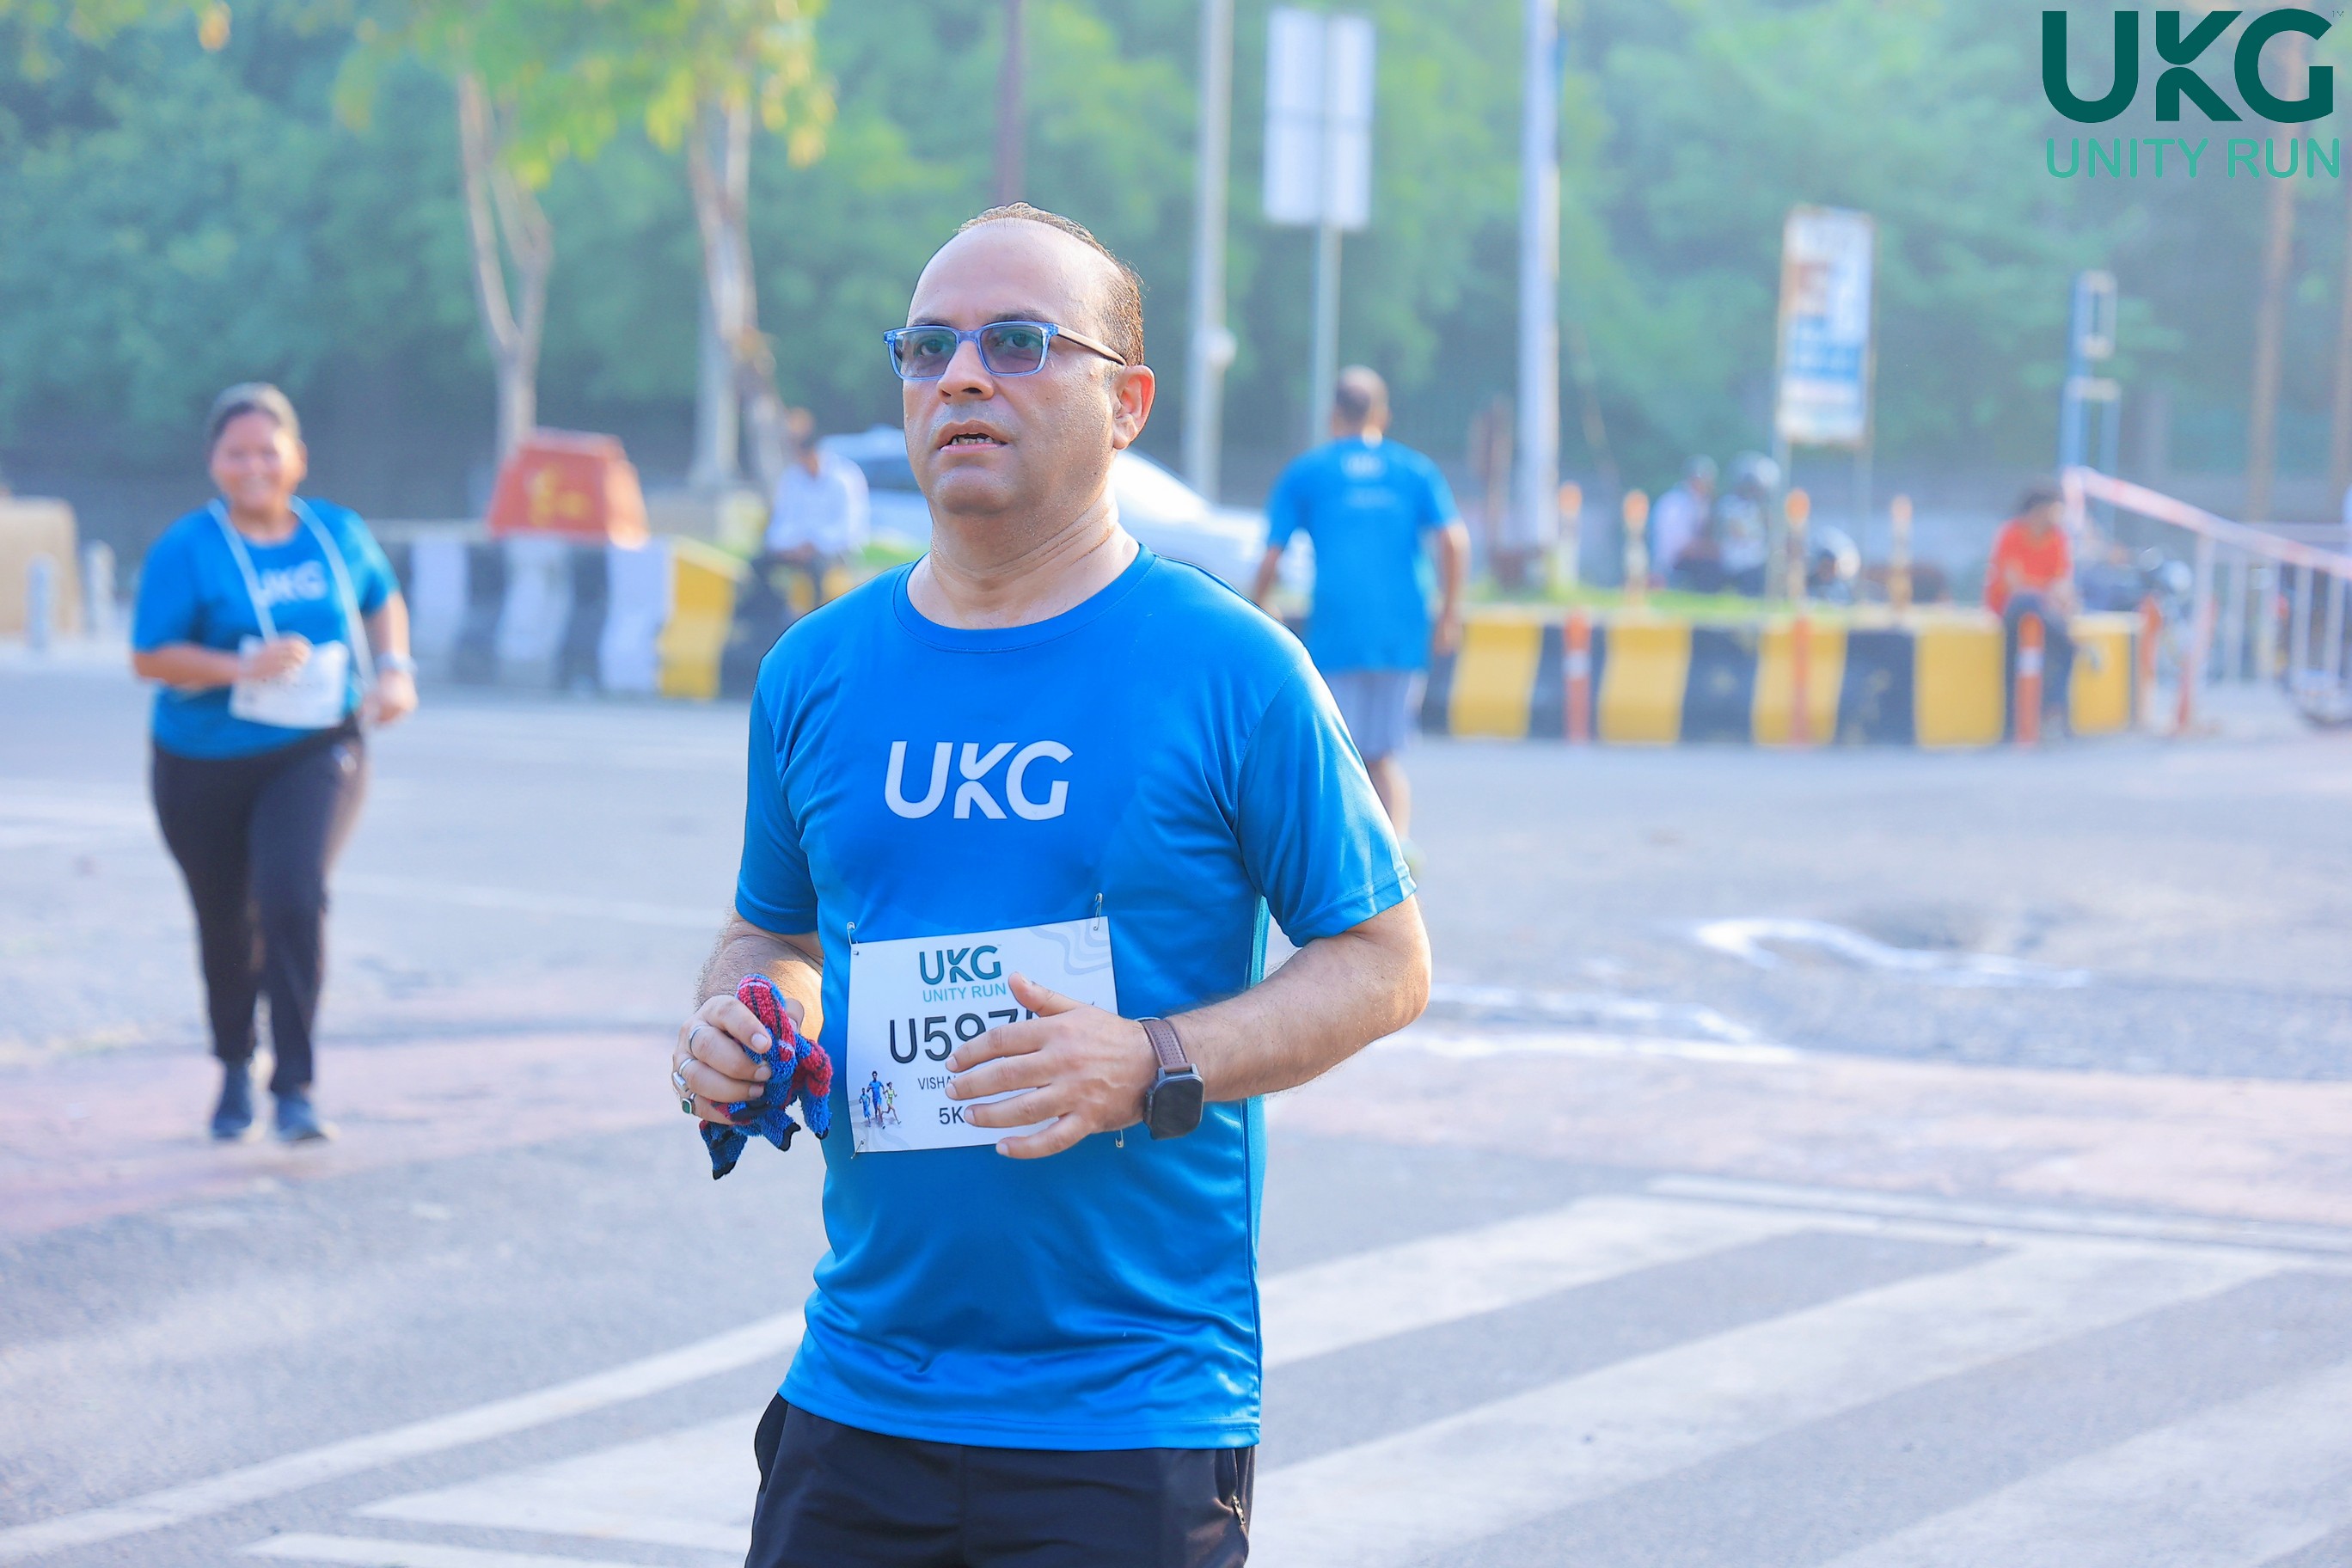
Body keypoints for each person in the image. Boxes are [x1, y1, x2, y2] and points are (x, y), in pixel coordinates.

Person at [669, 203, 1430, 1567]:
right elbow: (770, 933)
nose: (961, 376)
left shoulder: (1232, 667)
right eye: (928, 348)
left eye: (1018, 343)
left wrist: (1153, 1059)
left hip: (1128, 1414)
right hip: (860, 1389)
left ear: (1127, 403)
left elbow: (1384, 961)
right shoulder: (815, 671)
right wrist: (748, 1019)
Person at [130, 383, 418, 1142]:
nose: (254, 466)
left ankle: (295, 1087)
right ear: (213, 463)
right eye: (237, 453)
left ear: (298, 458)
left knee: (292, 895)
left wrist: (394, 669)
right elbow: (149, 657)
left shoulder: (336, 532)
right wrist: (240, 666)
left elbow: (382, 595)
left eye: (268, 451)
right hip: (202, 759)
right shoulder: (187, 548)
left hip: (317, 747)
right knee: (227, 918)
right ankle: (234, 1064)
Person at [1248, 367, 1468, 848]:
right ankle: (1398, 850)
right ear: (1382, 416)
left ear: (1333, 416)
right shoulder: (1414, 469)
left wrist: (1259, 608)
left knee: (1335, 754)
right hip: (1402, 631)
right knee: (1382, 756)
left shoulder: (1308, 472)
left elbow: (1271, 555)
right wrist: (1450, 613)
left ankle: (1341, 854)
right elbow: (1454, 540)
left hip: (1337, 631)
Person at [1986, 482, 2078, 735]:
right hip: (2010, 609)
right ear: (2039, 510)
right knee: (2030, 601)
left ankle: (2055, 710)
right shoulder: (2012, 534)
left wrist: (2062, 599)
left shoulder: (2057, 538)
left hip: (2044, 612)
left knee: (2062, 651)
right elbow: (2014, 585)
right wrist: (2051, 594)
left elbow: (2062, 582)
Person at [763, 407, 870, 614]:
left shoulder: (844, 478)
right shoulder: (793, 478)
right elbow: (782, 522)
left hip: (833, 550)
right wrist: (789, 546)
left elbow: (848, 528)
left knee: (817, 569)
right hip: (797, 548)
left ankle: (815, 619)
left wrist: (813, 544)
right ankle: (767, 618)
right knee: (760, 564)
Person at [1651, 456, 1716, 589]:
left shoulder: (1701, 504)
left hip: (1687, 558)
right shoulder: (1674, 504)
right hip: (1672, 564)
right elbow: (1677, 547)